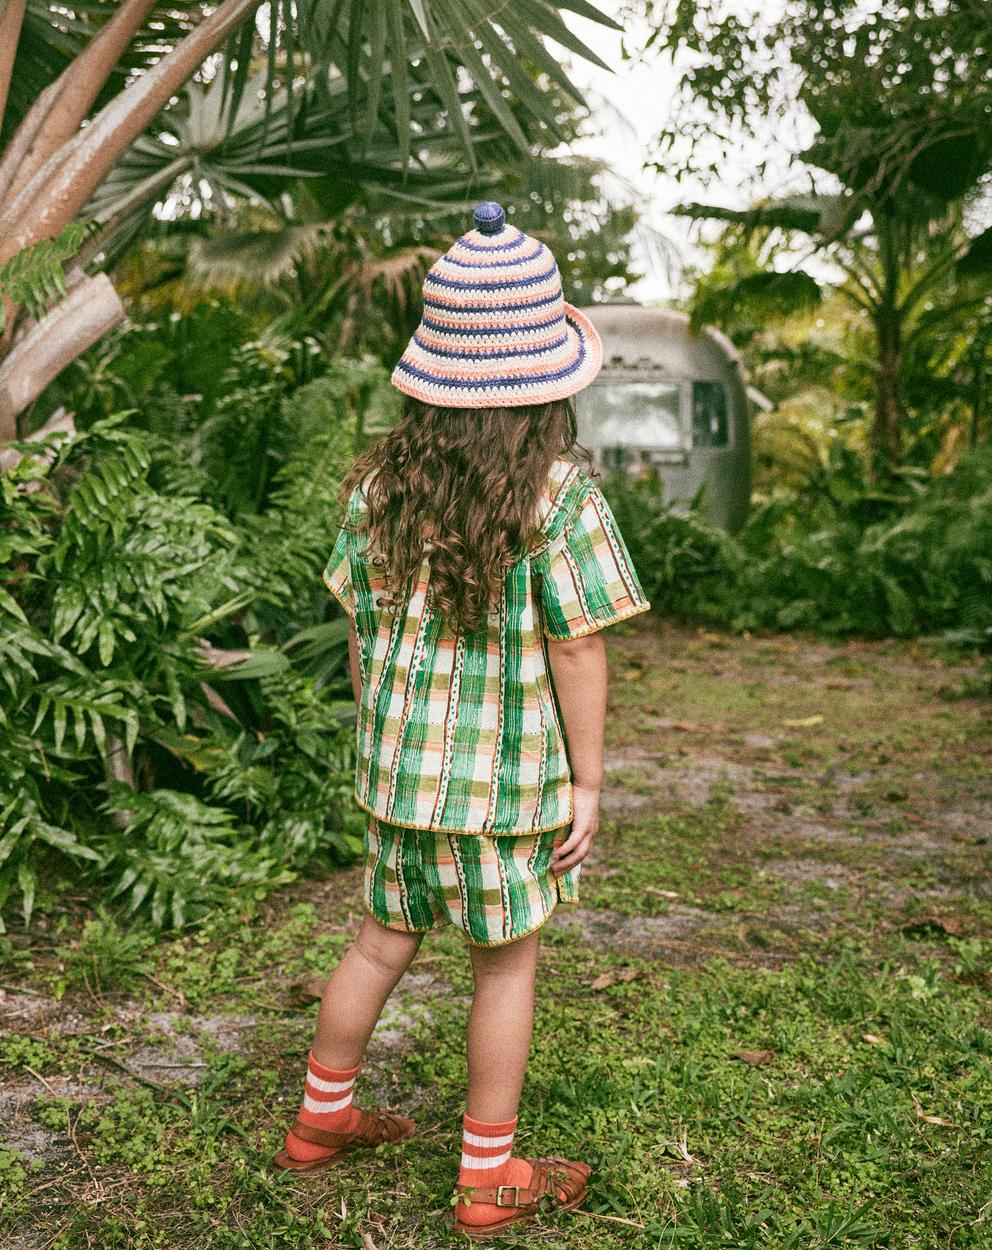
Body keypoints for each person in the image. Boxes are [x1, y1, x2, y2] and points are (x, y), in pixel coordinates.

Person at [273, 201, 649, 1239]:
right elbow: (576, 643)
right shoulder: (559, 494)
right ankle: (489, 1177)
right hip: (506, 792)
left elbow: (358, 631)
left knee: (377, 941)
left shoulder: (383, 486)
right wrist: (586, 780)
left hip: (398, 778)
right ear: (546, 381)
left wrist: (377, 729)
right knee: (506, 964)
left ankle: (320, 1116)